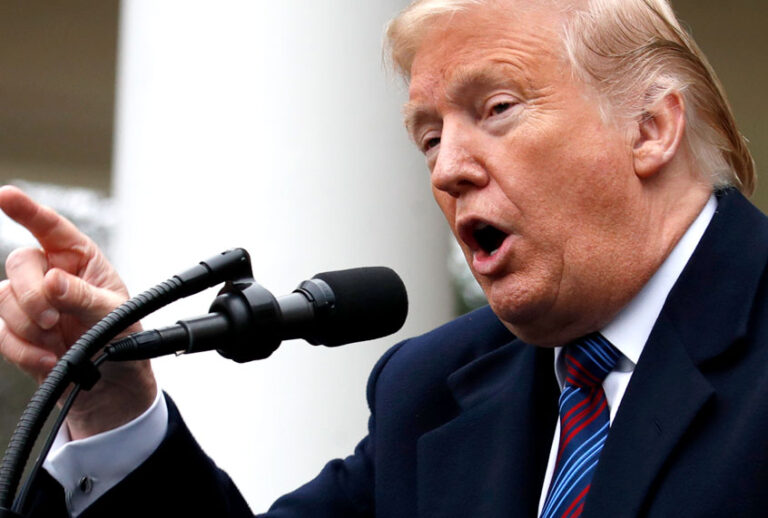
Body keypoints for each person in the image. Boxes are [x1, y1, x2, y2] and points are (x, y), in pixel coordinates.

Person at [0, 0, 765, 516]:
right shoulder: (431, 388)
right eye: (428, 137)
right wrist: (115, 400)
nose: (447, 168)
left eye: (496, 109)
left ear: (650, 129)